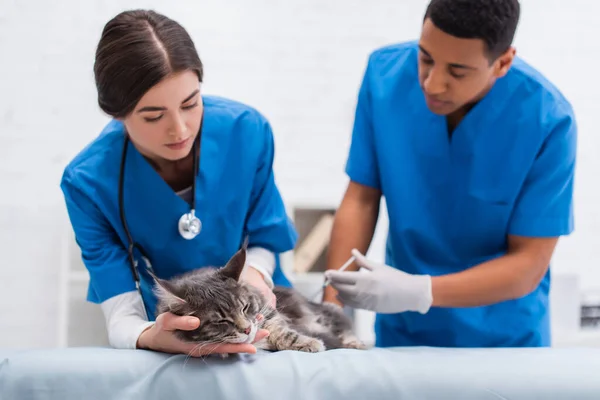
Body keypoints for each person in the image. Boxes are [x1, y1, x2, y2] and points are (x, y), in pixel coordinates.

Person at [323, 0, 577, 348]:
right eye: (425, 57)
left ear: (502, 62)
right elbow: (362, 198)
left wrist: (418, 291)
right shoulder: (384, 78)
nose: (432, 83)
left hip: (505, 338)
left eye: (457, 72)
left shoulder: (547, 119)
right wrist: (329, 311)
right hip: (404, 331)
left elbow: (529, 263)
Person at [60, 9, 297, 356]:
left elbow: (265, 236)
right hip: (172, 338)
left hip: (264, 323)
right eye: (154, 116)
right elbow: (122, 316)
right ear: (117, 112)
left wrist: (255, 274)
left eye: (190, 103)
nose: (180, 129)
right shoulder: (88, 183)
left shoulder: (246, 131)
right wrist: (154, 337)